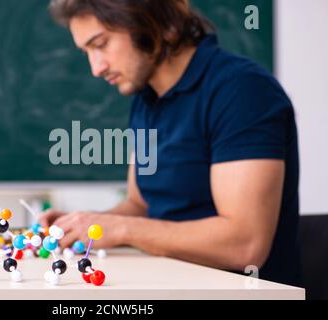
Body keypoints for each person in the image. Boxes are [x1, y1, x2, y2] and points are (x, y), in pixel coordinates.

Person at [40, 0, 301, 286]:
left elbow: (244, 245)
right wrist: (82, 226)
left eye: (100, 44)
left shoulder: (243, 91)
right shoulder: (146, 98)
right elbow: (141, 206)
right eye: (87, 51)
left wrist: (123, 228)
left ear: (156, 22)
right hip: (171, 282)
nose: (96, 68)